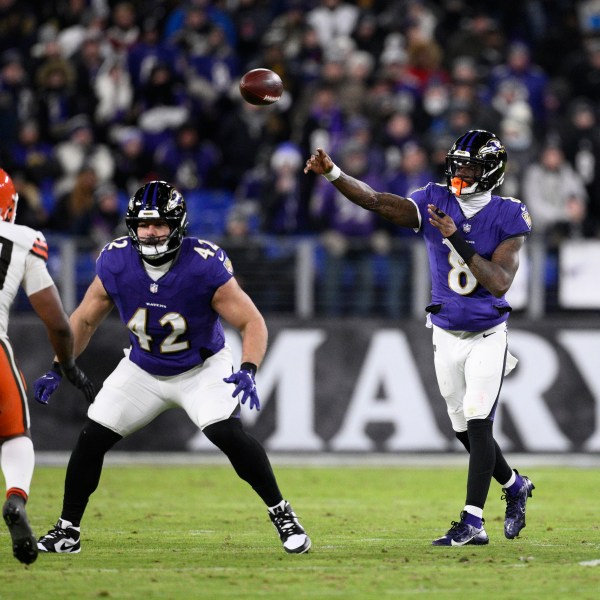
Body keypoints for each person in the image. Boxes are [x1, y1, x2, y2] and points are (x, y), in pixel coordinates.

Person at [33, 180, 311, 555]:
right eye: (144, 224)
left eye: (159, 224)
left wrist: (248, 367)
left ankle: (283, 514)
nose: (150, 232)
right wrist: (59, 364)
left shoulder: (203, 265)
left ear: (177, 225)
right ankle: (68, 530)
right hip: (142, 367)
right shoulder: (115, 261)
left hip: (202, 367)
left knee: (227, 434)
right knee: (92, 437)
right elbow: (83, 320)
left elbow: (251, 322)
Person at [304, 130, 535, 546]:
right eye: (458, 163)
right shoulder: (434, 198)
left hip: (487, 332)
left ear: (492, 172)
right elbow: (375, 201)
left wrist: (455, 237)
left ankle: (472, 521)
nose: (461, 171)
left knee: (480, 422)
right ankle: (515, 484)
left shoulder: (508, 214)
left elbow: (499, 283)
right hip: (445, 330)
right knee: (462, 428)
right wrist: (333, 173)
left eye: (471, 166)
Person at [0, 168, 93, 565]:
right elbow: (56, 321)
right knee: (15, 435)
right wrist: (68, 365)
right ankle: (16, 498)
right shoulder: (21, 240)